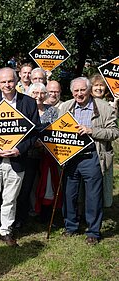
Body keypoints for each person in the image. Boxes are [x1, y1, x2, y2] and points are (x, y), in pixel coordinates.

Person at [0, 68, 40, 247]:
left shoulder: (28, 102)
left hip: (17, 159)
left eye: (10, 81)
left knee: (10, 198)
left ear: (16, 80)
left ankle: (6, 231)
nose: (7, 85)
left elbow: (35, 133)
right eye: (3, 82)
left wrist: (19, 149)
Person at [59, 77, 119, 245]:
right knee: (69, 194)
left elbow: (114, 132)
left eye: (82, 90)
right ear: (72, 92)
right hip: (71, 157)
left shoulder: (104, 107)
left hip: (93, 156)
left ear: (89, 90)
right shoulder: (65, 107)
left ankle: (93, 231)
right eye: (76, 91)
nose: (79, 94)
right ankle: (71, 227)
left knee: (93, 196)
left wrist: (92, 131)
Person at [14, 83, 58, 229]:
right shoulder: (23, 109)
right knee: (26, 188)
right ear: (28, 93)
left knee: (47, 185)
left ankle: (45, 216)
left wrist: (43, 142)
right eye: (35, 93)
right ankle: (21, 217)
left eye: (41, 93)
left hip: (46, 155)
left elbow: (54, 131)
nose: (38, 96)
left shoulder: (52, 111)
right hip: (29, 155)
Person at [89, 74, 116, 207]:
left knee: (101, 183)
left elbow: (114, 131)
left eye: (101, 85)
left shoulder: (108, 105)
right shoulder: (81, 103)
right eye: (96, 85)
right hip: (86, 151)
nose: (99, 88)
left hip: (102, 151)